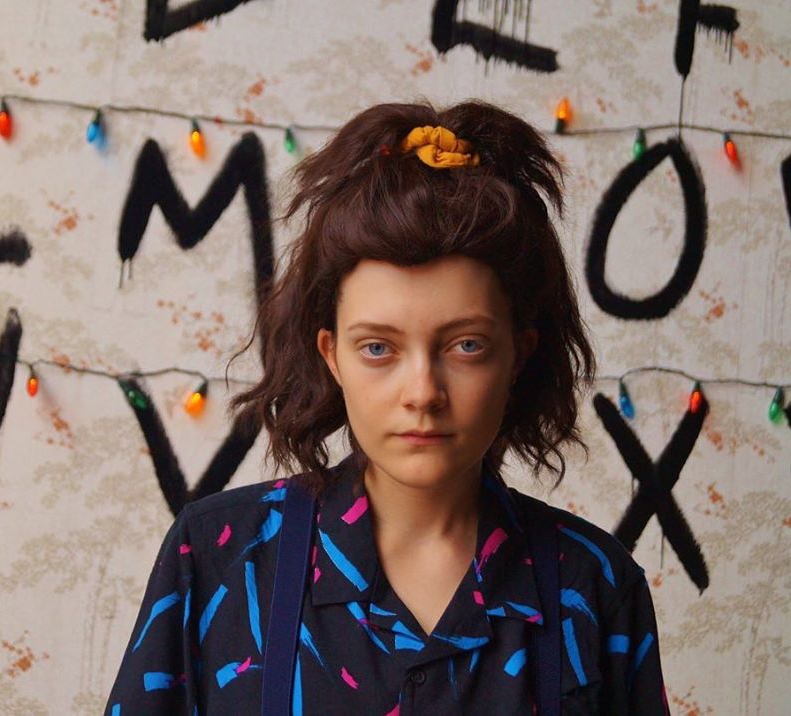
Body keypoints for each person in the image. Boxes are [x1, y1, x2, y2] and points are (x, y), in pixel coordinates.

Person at [104, 99, 669, 715]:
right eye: (378, 348)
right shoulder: (219, 559)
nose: (422, 392)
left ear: (518, 355)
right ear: (331, 355)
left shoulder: (596, 588)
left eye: (467, 345)